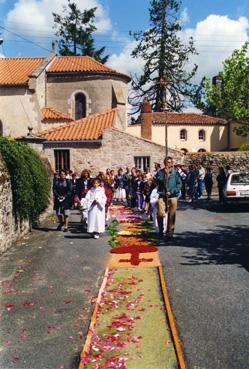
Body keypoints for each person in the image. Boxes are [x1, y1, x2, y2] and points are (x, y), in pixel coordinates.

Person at [156, 157, 182, 239]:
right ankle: (161, 230)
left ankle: (170, 233)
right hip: (162, 195)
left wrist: (172, 191)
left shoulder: (175, 173)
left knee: (172, 215)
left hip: (172, 196)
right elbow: (158, 180)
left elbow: (179, 184)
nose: (169, 164)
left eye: (170, 162)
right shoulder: (160, 172)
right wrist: (165, 176)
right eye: (167, 162)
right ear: (164, 163)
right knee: (160, 213)